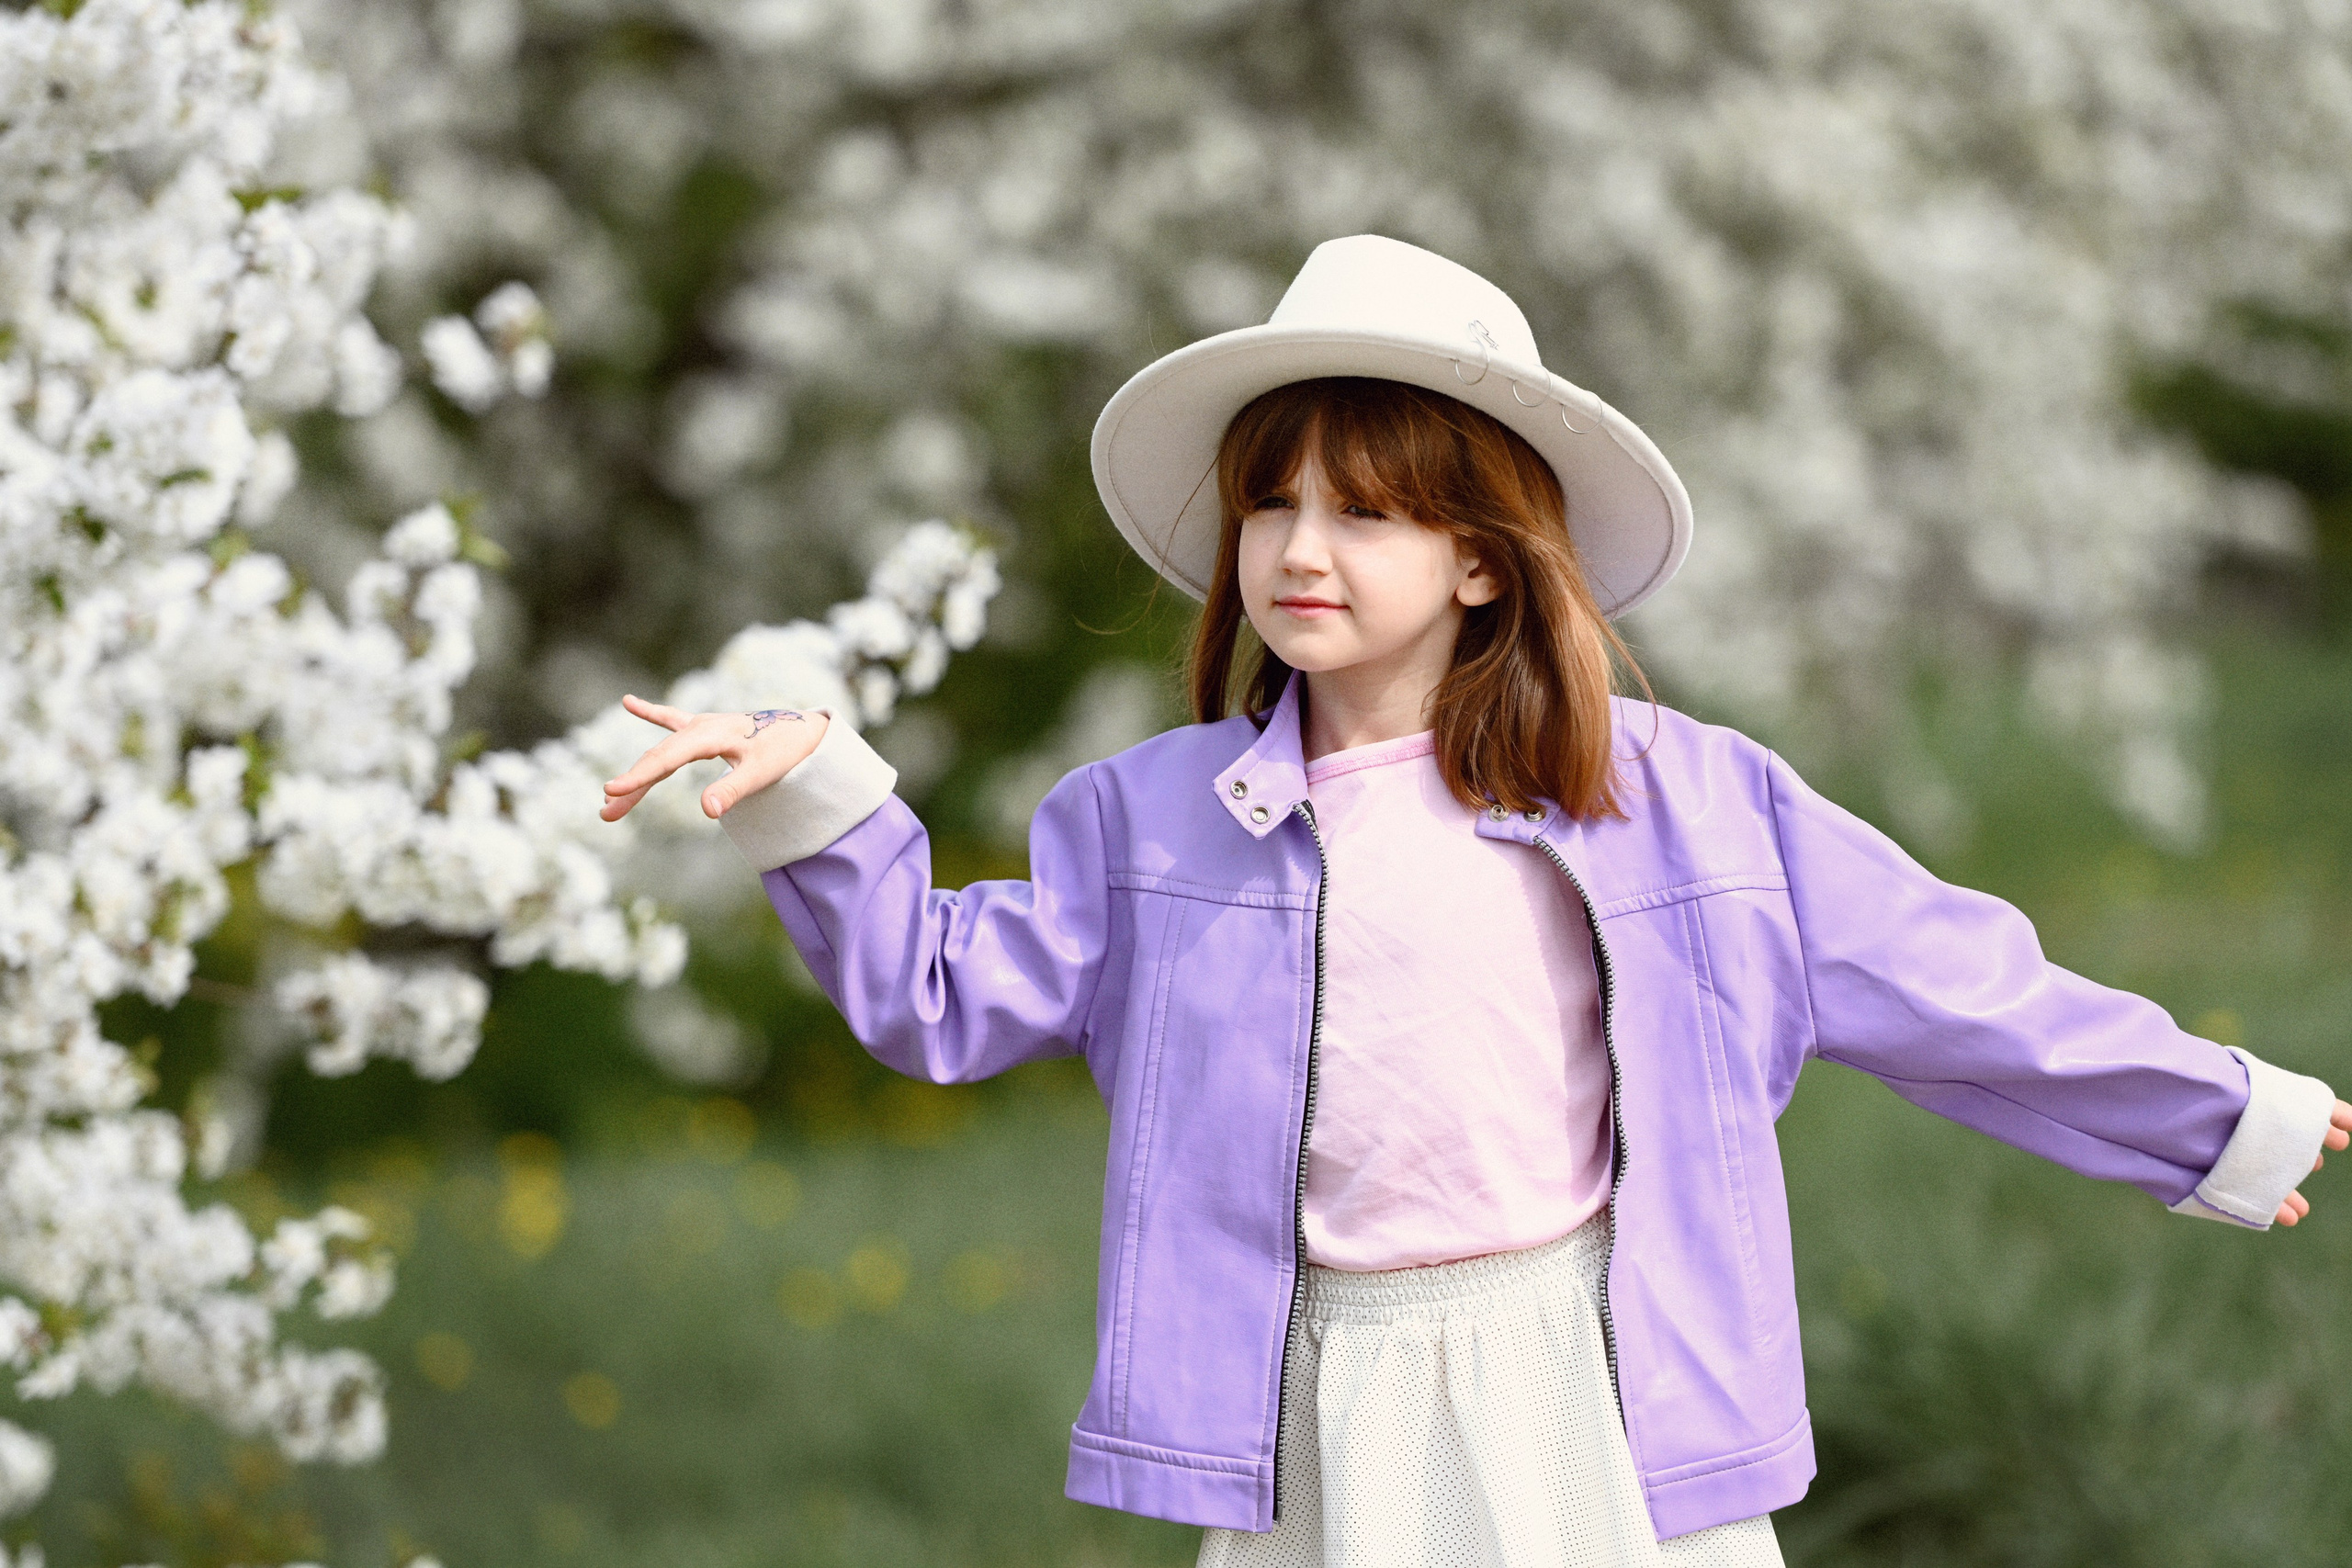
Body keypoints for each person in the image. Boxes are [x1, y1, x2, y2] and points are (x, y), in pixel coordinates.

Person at [597, 234, 2352, 1567]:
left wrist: (2219, 1119)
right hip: (1320, 1400)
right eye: (1269, 503)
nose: (1299, 549)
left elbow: (1955, 982)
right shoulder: (1152, 822)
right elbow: (938, 997)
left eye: (1362, 513)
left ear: (1482, 557)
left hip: (1586, 1372)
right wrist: (826, 802)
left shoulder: (1674, 799)